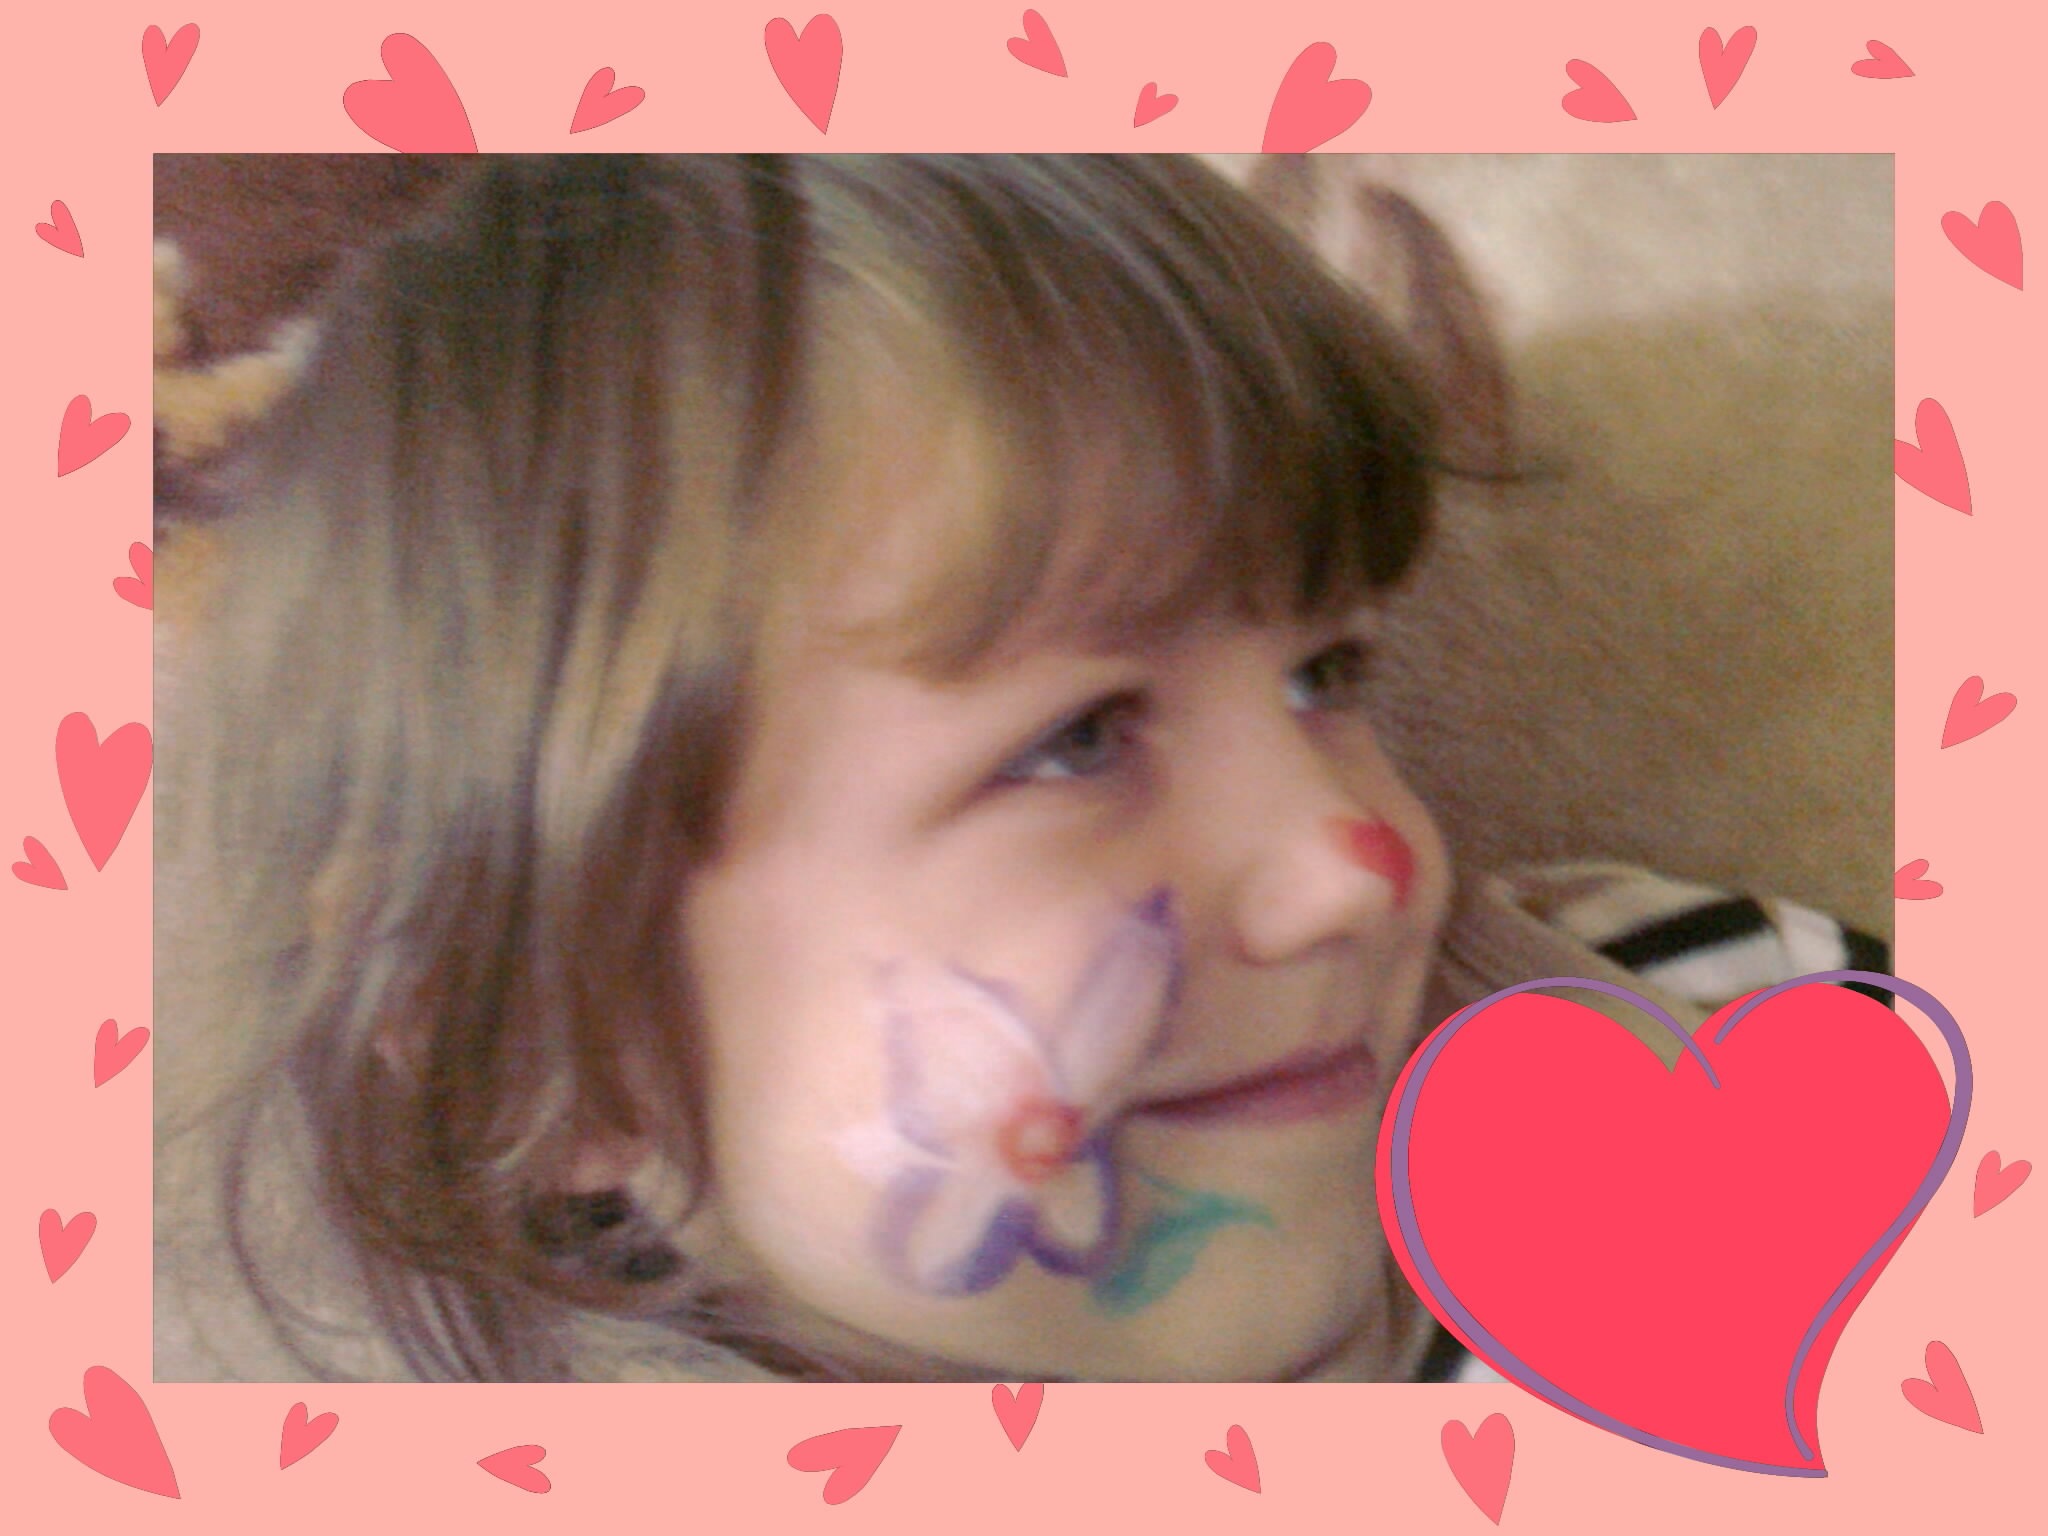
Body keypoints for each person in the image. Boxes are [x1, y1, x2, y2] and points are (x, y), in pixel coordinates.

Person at [153, 154, 1884, 1385]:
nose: (1356, 861)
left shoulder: (1746, 1026)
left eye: (1326, 674)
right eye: (1076, 738)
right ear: (544, 1049)